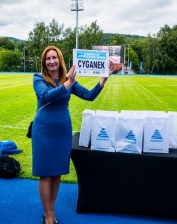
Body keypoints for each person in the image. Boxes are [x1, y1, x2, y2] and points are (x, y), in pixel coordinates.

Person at [32, 46, 115, 224]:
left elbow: (89, 95)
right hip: (43, 131)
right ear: (44, 62)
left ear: (60, 60)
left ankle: (51, 209)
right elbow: (47, 96)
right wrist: (68, 83)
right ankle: (47, 214)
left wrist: (104, 79)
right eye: (48, 58)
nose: (51, 61)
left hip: (62, 131)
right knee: (45, 173)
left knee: (56, 172)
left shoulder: (68, 79)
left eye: (54, 57)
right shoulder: (38, 78)